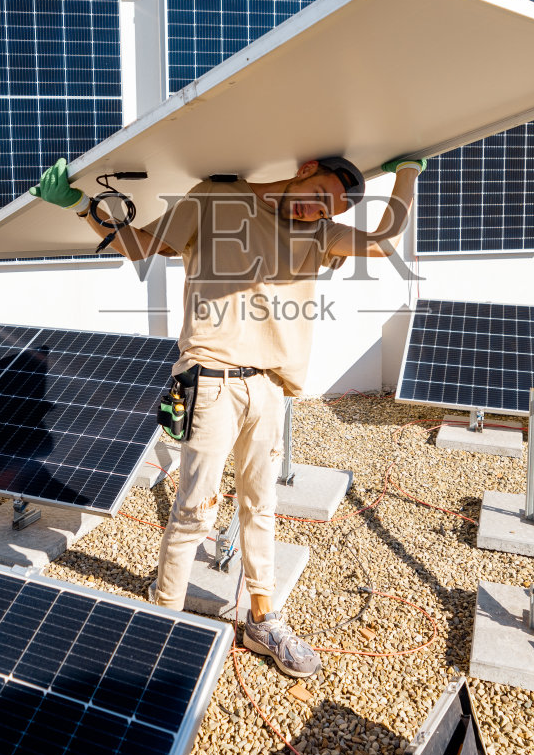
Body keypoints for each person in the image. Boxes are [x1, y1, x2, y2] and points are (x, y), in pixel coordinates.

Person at [29, 154, 425, 677]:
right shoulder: (215, 197)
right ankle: (163, 624)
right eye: (319, 194)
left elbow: (384, 241)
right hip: (211, 382)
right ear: (305, 168)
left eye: (327, 209)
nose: (315, 210)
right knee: (194, 510)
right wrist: (82, 205)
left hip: (270, 387)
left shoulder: (319, 234)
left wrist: (408, 169)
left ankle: (264, 619)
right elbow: (142, 246)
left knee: (261, 505)